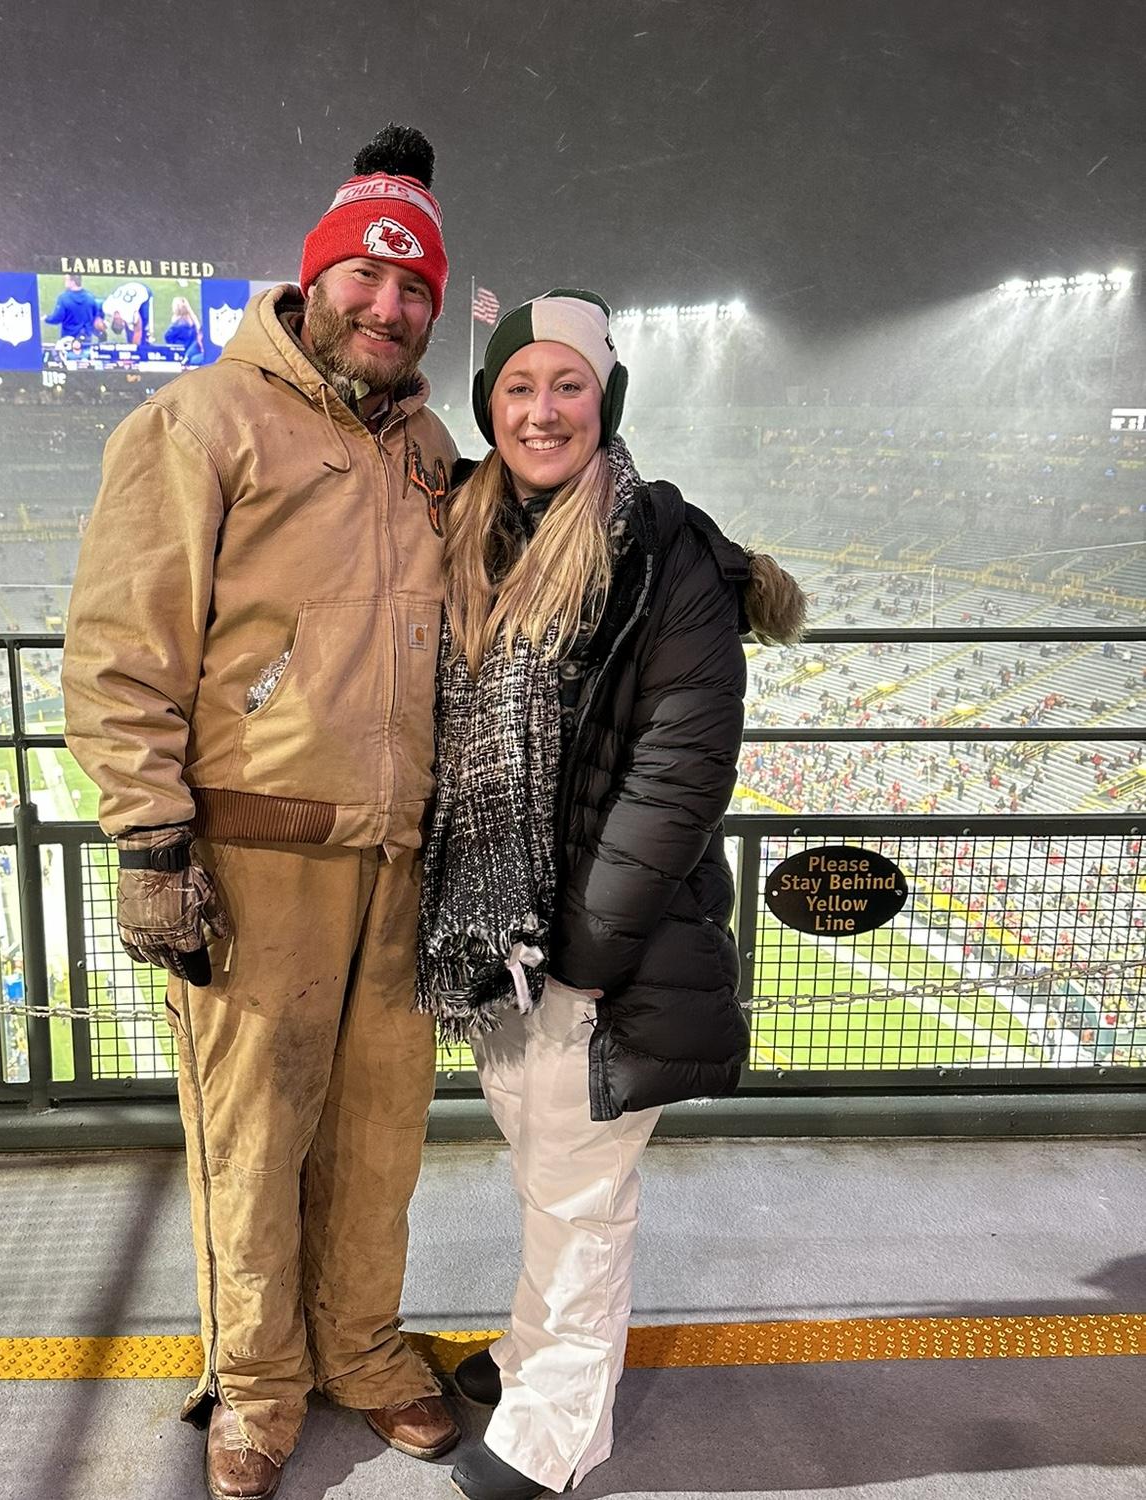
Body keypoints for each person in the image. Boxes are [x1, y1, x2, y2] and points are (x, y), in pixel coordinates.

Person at [62, 124, 461, 1500]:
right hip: (255, 855)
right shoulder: (200, 419)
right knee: (253, 1133)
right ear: (316, 281)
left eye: (415, 290)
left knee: (380, 1134)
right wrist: (150, 840)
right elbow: (125, 644)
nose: (389, 307)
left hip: (403, 859)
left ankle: (361, 1350)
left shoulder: (427, 446)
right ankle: (258, 1383)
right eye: (368, 278)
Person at [416, 291, 806, 1500]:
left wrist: (581, 953)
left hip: (595, 947)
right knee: (548, 1168)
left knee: (583, 1192)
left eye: (567, 385)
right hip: (505, 938)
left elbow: (676, 774)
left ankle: (557, 1434)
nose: (542, 410)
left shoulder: (661, 552)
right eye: (517, 387)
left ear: (607, 400)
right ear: (490, 406)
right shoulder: (482, 531)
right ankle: (534, 1353)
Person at [44, 273, 105, 343]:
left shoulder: (63, 298)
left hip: (68, 339)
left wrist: (47, 318)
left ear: (72, 282)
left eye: (66, 280)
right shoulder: (90, 298)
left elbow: (57, 318)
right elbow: (95, 317)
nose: (64, 282)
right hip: (86, 340)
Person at [163, 295, 206, 364]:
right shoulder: (193, 321)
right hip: (191, 349)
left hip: (181, 352)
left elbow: (167, 337)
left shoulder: (177, 324)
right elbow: (198, 329)